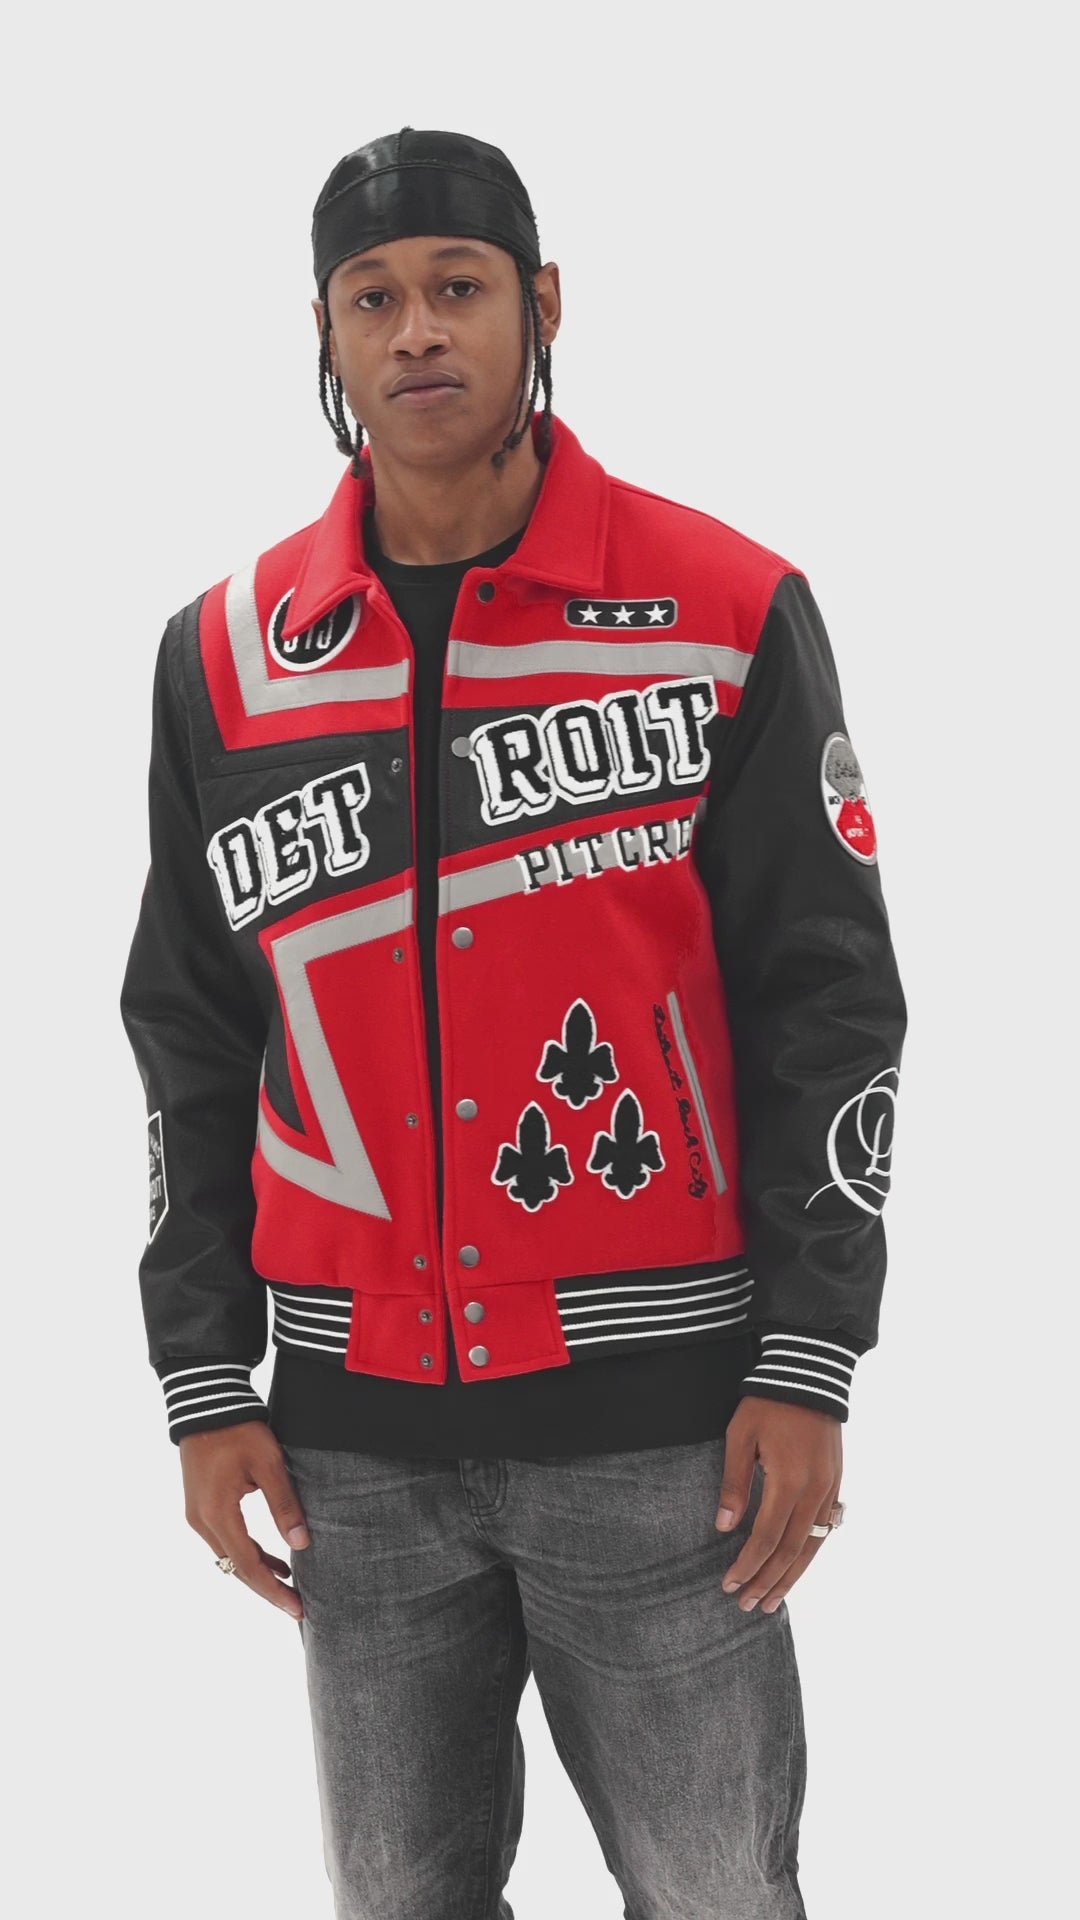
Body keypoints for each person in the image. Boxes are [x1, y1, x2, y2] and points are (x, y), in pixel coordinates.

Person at [120, 125, 907, 1919]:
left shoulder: (722, 609)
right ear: (324, 336)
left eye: (458, 287)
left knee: (717, 1892)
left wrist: (809, 1354)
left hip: (662, 1434)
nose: (417, 330)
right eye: (372, 298)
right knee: (400, 1898)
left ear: (541, 305)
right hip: (350, 1445)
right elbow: (189, 1028)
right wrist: (201, 1376)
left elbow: (830, 1002)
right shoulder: (223, 655)